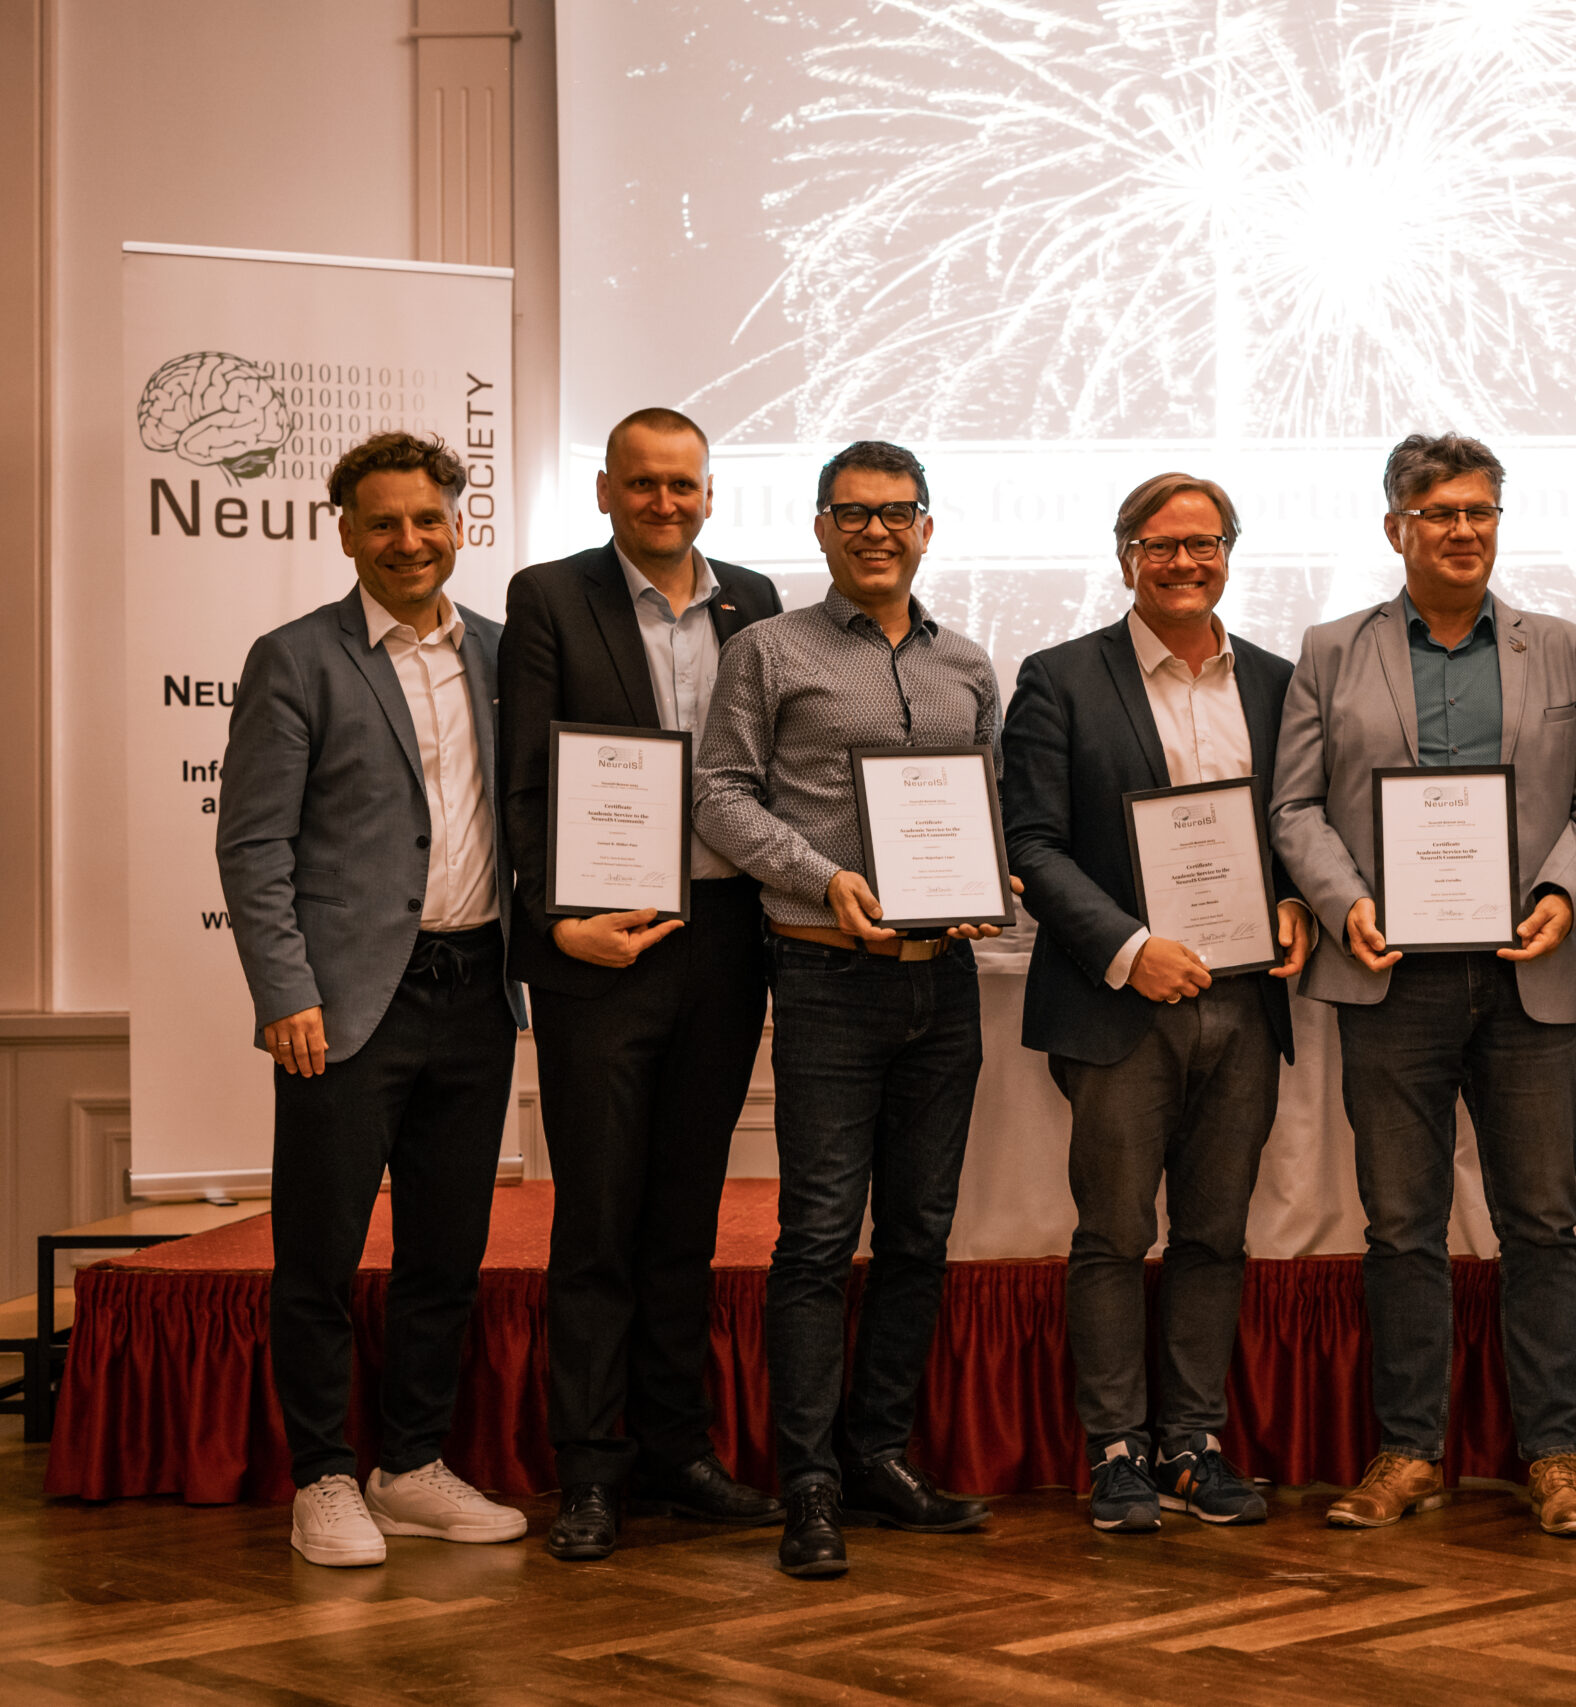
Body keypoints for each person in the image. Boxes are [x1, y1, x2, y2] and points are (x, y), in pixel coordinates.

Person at [1269, 433, 1576, 1537]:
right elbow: (1294, 807)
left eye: (1479, 511)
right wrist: (1345, 904)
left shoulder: (1564, 650)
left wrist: (1564, 893)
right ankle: (1409, 1452)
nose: (1462, 530)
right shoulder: (1331, 651)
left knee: (1543, 1225)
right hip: (1390, 980)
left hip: (1525, 976)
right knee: (1402, 1228)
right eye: (1438, 513)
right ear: (1396, 528)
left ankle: (1555, 1456)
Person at [695, 439, 1014, 1578]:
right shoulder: (767, 650)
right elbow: (718, 792)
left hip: (944, 983)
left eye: (896, 511)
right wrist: (819, 876)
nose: (876, 529)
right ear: (822, 527)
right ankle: (810, 1484)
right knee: (819, 1238)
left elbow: (986, 804)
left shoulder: (968, 664)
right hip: (826, 975)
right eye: (852, 511)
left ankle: (878, 1456)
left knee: (920, 1233)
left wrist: (987, 882)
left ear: (926, 527)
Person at [216, 431, 530, 1568]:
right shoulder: (295, 658)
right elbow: (253, 844)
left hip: (478, 992)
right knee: (319, 1255)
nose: (409, 540)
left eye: (427, 518)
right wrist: (283, 990)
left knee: (446, 1253)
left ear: (459, 525)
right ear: (344, 532)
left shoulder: (504, 653)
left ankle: (410, 1467)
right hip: (345, 1006)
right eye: (383, 522)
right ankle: (323, 1478)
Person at [497, 407, 786, 1561]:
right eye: (643, 483)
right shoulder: (549, 597)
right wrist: (555, 923)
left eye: (684, 484)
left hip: (726, 939)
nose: (665, 502)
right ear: (606, 491)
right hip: (602, 945)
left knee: (683, 1218)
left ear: (709, 494)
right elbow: (523, 783)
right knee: (597, 1221)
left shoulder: (754, 602)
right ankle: (591, 1471)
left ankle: (676, 1453)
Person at [1001, 473, 1313, 1534]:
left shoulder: (1275, 681)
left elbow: (1294, 825)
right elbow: (1032, 842)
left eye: (1204, 542)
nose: (1185, 561)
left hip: (1245, 1003)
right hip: (1119, 1006)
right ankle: (1116, 1451)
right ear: (1124, 554)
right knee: (1114, 1231)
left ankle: (1191, 1443)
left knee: (1214, 1235)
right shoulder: (1058, 678)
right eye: (1160, 543)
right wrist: (1129, 950)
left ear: (1230, 550)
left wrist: (1293, 904)